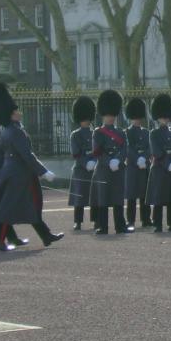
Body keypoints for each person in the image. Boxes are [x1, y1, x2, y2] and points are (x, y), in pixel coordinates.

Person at [0, 83, 63, 250]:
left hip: (10, 173)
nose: (19, 112)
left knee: (30, 204)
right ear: (12, 114)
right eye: (17, 110)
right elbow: (27, 155)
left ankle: (46, 235)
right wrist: (44, 172)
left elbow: (0, 156)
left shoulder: (6, 130)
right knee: (9, 208)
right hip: (19, 175)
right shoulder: (16, 131)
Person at [91, 89, 133, 235]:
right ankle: (102, 226)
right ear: (103, 114)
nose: (111, 118)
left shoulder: (121, 132)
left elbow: (124, 149)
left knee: (118, 198)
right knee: (103, 198)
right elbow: (97, 151)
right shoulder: (98, 132)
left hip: (118, 169)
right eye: (108, 115)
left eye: (112, 115)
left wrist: (118, 160)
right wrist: (109, 161)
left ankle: (120, 226)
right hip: (103, 169)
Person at [147, 94, 171, 232]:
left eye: (166, 117)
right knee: (159, 199)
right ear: (158, 117)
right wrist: (169, 163)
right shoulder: (154, 134)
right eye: (163, 117)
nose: (165, 119)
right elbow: (157, 152)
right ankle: (157, 224)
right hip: (160, 170)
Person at [67, 95, 96, 231]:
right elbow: (76, 153)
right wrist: (86, 163)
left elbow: (100, 150)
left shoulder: (96, 133)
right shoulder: (75, 134)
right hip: (80, 169)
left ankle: (95, 220)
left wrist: (94, 162)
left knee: (94, 196)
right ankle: (77, 221)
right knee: (79, 198)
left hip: (94, 169)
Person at [125, 97, 152, 229]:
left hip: (144, 167)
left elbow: (149, 147)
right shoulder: (127, 132)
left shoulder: (146, 132)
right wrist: (137, 159)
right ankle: (130, 220)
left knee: (144, 195)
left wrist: (145, 158)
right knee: (131, 195)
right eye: (135, 117)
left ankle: (146, 218)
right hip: (132, 167)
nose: (137, 119)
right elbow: (128, 148)